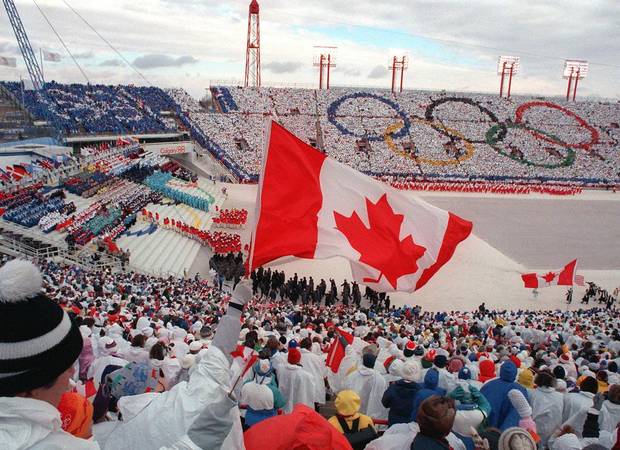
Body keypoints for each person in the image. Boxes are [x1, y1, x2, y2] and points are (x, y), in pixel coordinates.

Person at [480, 360, 529, 430]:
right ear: (515, 373)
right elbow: (517, 415)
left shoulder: (488, 385)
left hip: (486, 430)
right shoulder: (521, 390)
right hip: (507, 434)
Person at [241, 359, 285, 428]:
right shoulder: (274, 391)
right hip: (268, 423)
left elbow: (243, 400)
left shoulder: (246, 384)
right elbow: (279, 404)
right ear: (270, 372)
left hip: (249, 421)